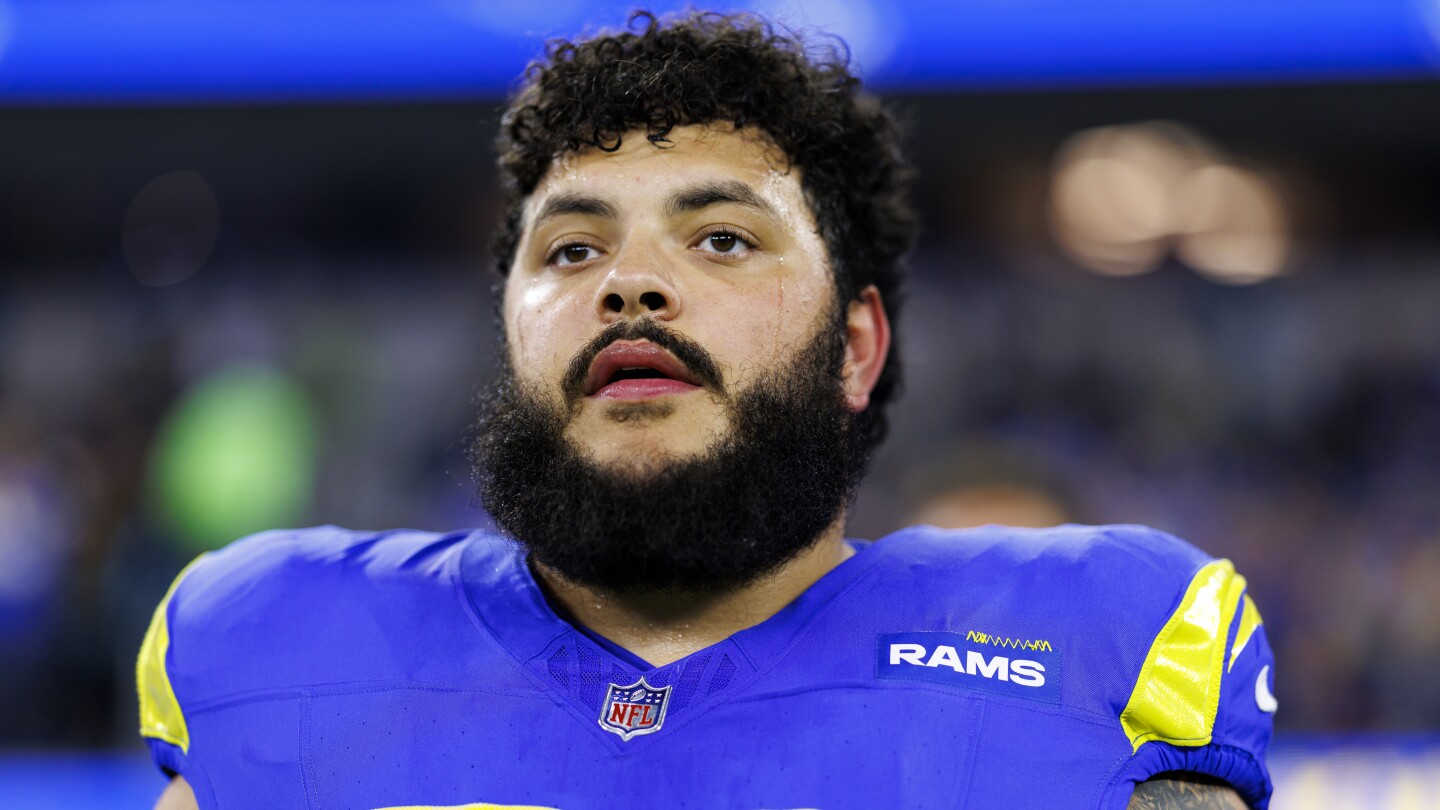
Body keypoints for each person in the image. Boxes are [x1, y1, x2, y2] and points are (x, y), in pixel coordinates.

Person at [138, 11, 1274, 809]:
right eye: (571, 249)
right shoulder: (270, 643)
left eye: (722, 238)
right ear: (511, 333)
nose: (630, 284)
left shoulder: (1101, 649)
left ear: (855, 349)